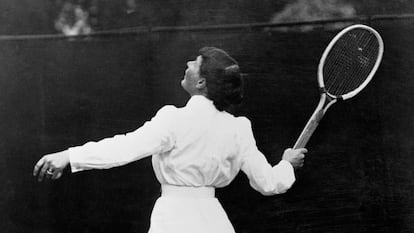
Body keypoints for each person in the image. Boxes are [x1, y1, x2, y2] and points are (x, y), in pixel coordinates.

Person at [33, 47, 307, 233]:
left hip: (173, 220)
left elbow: (124, 147)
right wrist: (286, 164)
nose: (188, 64)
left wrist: (68, 156)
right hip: (214, 221)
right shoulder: (238, 128)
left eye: (195, 63)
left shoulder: (174, 119)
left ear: (201, 83)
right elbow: (269, 183)